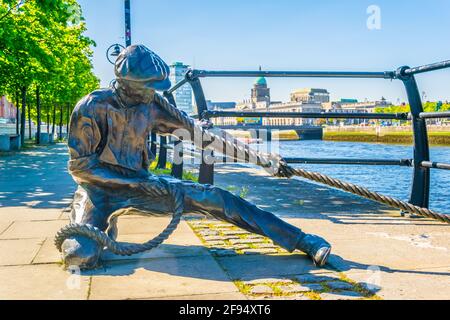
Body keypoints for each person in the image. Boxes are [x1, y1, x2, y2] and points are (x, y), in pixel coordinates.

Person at [62, 44, 331, 269]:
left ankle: (302, 240)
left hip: (142, 185)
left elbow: (204, 137)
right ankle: (98, 223)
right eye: (148, 86)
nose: (153, 92)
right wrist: (134, 185)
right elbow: (81, 170)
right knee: (80, 256)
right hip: (98, 191)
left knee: (216, 198)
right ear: (125, 83)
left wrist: (261, 158)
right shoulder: (90, 107)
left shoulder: (153, 105)